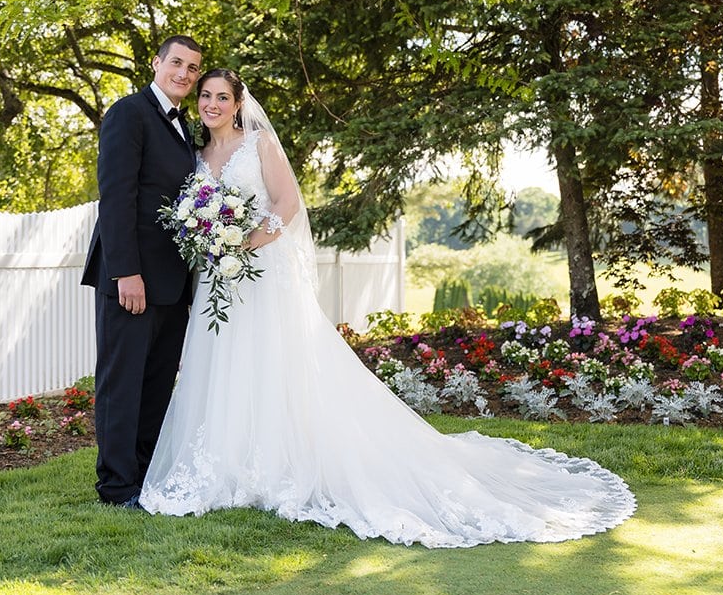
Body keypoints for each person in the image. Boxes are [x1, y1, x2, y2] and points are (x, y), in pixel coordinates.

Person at [139, 69, 636, 547]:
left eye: (222, 97)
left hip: (263, 272)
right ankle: (231, 463)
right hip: (219, 277)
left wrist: (247, 241)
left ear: (237, 104)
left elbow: (287, 203)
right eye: (205, 96)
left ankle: (279, 463)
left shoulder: (259, 144)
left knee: (275, 364)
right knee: (227, 365)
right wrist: (211, 239)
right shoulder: (197, 153)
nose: (211, 104)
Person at [81, 36, 203, 508]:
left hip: (171, 282)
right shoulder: (128, 114)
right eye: (177, 63)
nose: (184, 74)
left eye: (193, 68)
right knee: (122, 382)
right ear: (156, 63)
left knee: (155, 383)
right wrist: (126, 274)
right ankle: (116, 486)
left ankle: (144, 475)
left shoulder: (182, 125)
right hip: (131, 279)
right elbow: (116, 197)